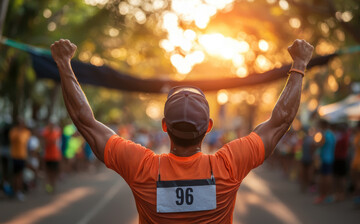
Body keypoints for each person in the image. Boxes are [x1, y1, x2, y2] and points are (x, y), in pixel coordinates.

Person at [50, 39, 313, 223]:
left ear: (165, 127)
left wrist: (64, 64)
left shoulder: (142, 168)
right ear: (208, 128)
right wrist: (299, 64)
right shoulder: (229, 165)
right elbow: (280, 121)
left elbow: (85, 120)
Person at [314, 120, 336, 204]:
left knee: (324, 178)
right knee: (328, 177)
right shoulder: (331, 134)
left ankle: (323, 195)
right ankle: (327, 195)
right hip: (330, 158)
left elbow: (319, 144)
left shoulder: (325, 134)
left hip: (325, 159)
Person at [9, 119, 31, 201]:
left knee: (20, 175)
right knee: (15, 175)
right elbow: (13, 140)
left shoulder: (26, 132)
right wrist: (18, 132)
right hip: (15, 156)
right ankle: (14, 191)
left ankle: (19, 191)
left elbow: (26, 144)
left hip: (23, 156)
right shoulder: (14, 131)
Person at [42, 122, 62, 193]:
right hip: (47, 156)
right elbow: (45, 142)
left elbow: (54, 142)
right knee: (48, 172)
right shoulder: (46, 132)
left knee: (53, 172)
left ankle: (53, 186)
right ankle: (49, 186)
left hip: (55, 156)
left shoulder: (56, 132)